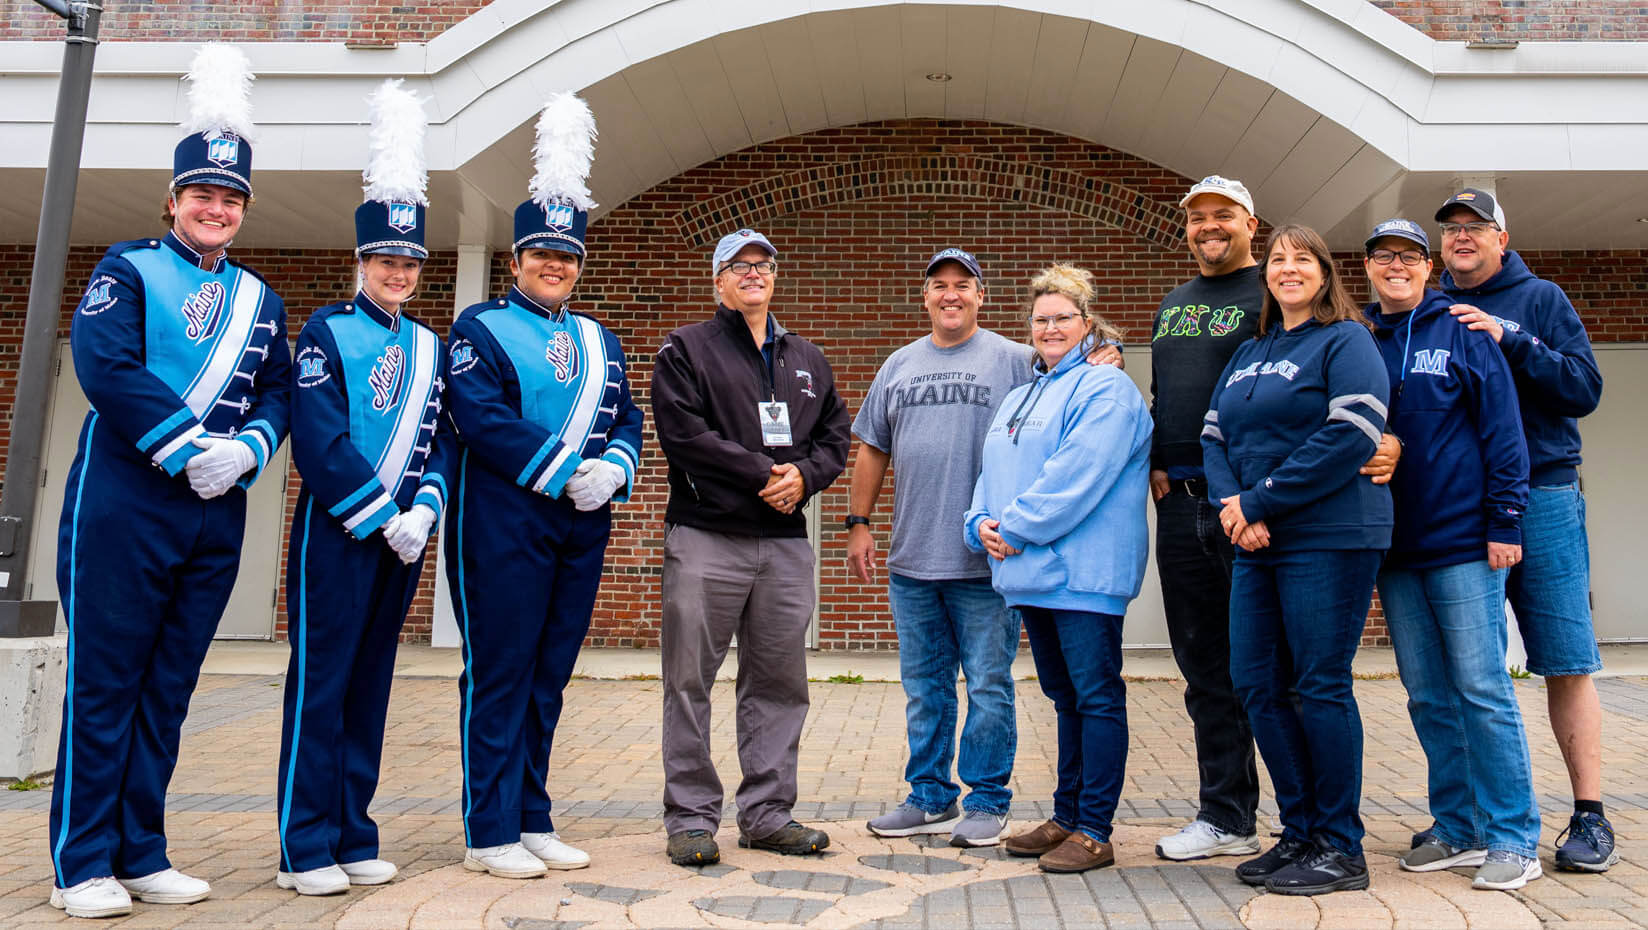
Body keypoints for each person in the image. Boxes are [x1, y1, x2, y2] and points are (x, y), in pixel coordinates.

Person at [48, 45, 292, 919]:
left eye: (231, 199)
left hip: (215, 510)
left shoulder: (263, 298)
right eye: (204, 195)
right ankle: (80, 862)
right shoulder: (127, 268)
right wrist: (187, 443)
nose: (217, 209)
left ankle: (141, 850)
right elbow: (104, 365)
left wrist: (252, 450)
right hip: (124, 499)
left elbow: (276, 389)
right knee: (107, 682)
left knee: (170, 688)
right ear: (174, 199)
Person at [445, 93, 643, 879]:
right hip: (503, 518)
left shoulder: (600, 337)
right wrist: (569, 472)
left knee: (550, 673)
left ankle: (532, 816)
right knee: (500, 670)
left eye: (567, 258)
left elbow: (628, 416)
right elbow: (483, 420)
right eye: (541, 255)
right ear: (517, 259)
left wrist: (616, 468)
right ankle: (487, 827)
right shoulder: (480, 327)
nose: (554, 267)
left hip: (582, 522)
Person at [275, 80, 454, 896]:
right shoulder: (325, 330)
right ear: (362, 262)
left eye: (411, 261)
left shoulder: (431, 344)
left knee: (372, 682)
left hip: (404, 537)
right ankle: (304, 844)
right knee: (323, 683)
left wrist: (425, 507)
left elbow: (445, 440)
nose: (400, 272)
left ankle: (354, 830)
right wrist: (381, 512)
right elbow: (320, 436)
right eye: (388, 260)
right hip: (339, 530)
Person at [1201, 224, 1392, 896]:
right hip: (1256, 539)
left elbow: (1353, 432)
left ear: (1325, 273)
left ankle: (1341, 847)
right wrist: (1234, 507)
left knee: (1319, 686)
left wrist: (1259, 502)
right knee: (1256, 682)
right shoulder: (1251, 351)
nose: (1287, 268)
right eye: (1278, 259)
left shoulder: (1347, 340)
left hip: (1330, 536)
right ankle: (1301, 831)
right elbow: (1213, 436)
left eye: (1301, 258)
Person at [652, 228, 851, 867]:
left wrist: (807, 477)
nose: (754, 273)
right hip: (708, 537)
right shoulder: (686, 349)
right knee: (690, 681)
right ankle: (690, 820)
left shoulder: (807, 358)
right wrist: (764, 473)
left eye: (763, 264)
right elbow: (684, 435)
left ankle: (767, 815)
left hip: (785, 548)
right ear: (719, 281)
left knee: (779, 682)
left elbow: (835, 436)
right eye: (739, 265)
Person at [1358, 218, 1543, 891]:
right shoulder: (1361, 340)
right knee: (1429, 695)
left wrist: (1506, 522)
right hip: (1395, 547)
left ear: (1428, 267)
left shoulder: (1464, 331)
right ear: (1370, 268)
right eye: (1384, 256)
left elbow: (1504, 432)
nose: (1396, 266)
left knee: (1482, 688)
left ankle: (1514, 836)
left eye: (1409, 256)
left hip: (1465, 541)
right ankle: (1458, 826)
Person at [1434, 188, 1613, 873]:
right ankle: (1478, 819)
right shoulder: (1428, 306)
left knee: (1565, 659)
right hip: (1460, 504)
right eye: (1450, 229)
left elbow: (1583, 388)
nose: (1461, 237)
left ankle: (1590, 818)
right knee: (1467, 671)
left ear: (1502, 239)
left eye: (1475, 227)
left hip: (1543, 495)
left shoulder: (1541, 301)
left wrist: (1511, 338)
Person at [964, 264, 1152, 874]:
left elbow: (1077, 476)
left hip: (1084, 574)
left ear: (1087, 322)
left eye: (1063, 318)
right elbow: (990, 471)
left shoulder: (1108, 391)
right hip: (1029, 574)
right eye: (1040, 319)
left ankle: (1095, 829)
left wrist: (1012, 527)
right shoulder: (1021, 394)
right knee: (1065, 698)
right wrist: (979, 523)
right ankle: (1067, 817)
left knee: (1096, 698)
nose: (1050, 328)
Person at [1147, 175, 1264, 862]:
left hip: (1249, 505)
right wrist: (1161, 456)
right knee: (1206, 672)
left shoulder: (1272, 296)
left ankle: (1311, 819)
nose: (1208, 227)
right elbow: (1168, 391)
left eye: (1223, 216)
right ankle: (1226, 816)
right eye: (1197, 218)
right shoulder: (1174, 303)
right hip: (1181, 505)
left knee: (1271, 666)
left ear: (1253, 223)